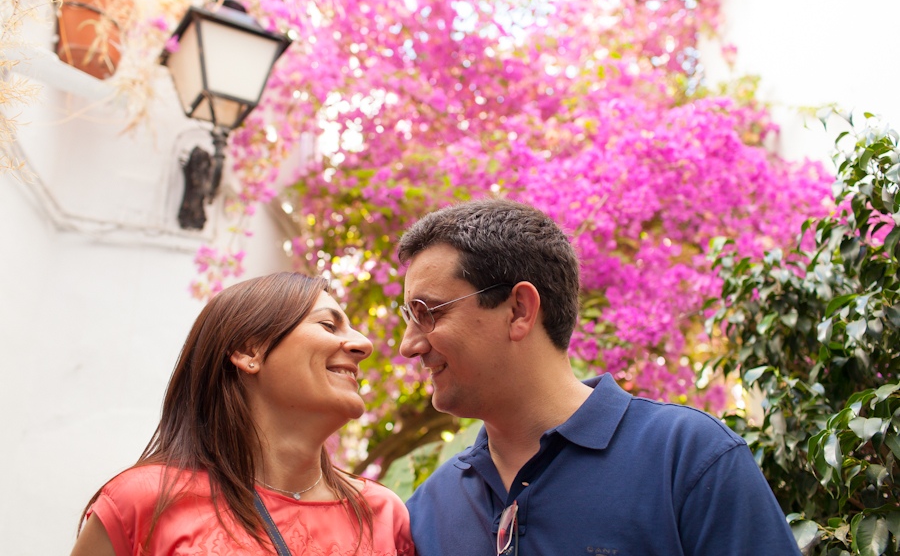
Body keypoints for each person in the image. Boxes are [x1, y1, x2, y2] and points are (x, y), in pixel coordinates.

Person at [397, 199, 800, 555]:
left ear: (519, 310)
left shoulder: (687, 458)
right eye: (408, 318)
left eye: (429, 312)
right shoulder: (428, 509)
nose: (408, 345)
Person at [70, 272, 415, 556]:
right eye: (328, 325)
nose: (363, 345)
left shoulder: (382, 514)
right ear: (250, 351)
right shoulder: (142, 502)